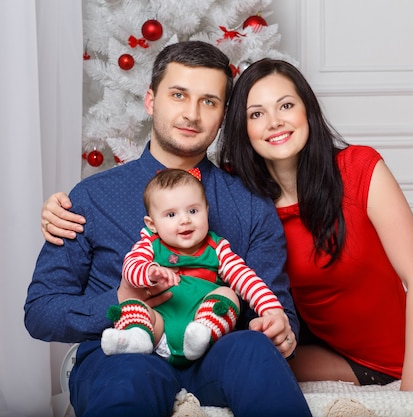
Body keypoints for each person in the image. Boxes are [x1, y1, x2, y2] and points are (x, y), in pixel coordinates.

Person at [42, 57, 413, 392]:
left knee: (258, 362)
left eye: (286, 106)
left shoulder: (341, 173)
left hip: (387, 351)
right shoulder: (240, 191)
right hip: (312, 345)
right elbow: (44, 309)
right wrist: (58, 211)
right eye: (256, 113)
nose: (273, 123)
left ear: (307, 110)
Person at [25, 41, 312, 417]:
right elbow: (41, 311)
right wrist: (122, 300)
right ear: (151, 100)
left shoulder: (250, 204)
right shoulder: (92, 198)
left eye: (209, 101)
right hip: (124, 357)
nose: (191, 114)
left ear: (223, 115)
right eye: (179, 95)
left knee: (253, 350)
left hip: (215, 354)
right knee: (128, 375)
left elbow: (279, 309)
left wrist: (278, 329)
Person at [102, 168, 285, 369]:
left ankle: (203, 331)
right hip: (160, 327)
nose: (185, 220)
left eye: (193, 211)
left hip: (203, 333)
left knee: (228, 293)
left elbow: (246, 278)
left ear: (206, 210)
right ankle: (136, 337)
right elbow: (131, 267)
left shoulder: (217, 248)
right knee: (135, 306)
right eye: (171, 214)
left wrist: (272, 310)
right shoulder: (150, 245)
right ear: (152, 224)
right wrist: (149, 272)